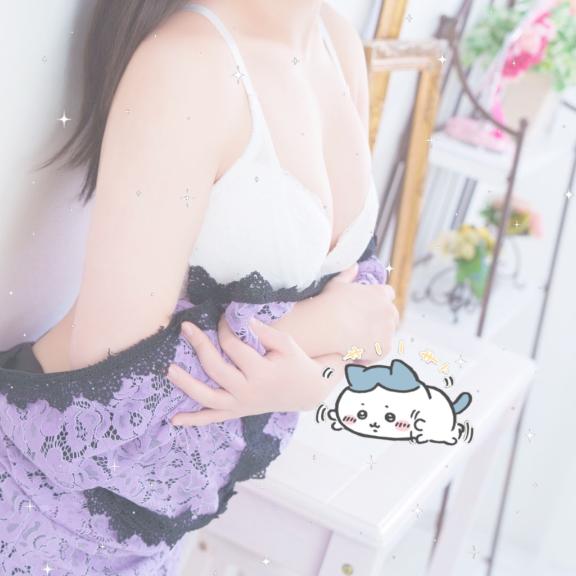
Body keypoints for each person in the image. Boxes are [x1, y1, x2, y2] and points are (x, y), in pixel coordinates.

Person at [0, 1, 399, 574]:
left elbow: (369, 311)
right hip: (46, 509)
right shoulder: (186, 66)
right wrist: (318, 332)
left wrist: (316, 378)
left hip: (159, 528)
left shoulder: (336, 42)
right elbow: (112, 387)